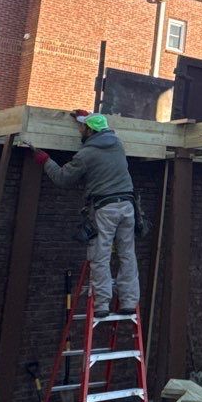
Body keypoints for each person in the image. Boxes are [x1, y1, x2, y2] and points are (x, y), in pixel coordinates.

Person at [31, 112, 138, 318]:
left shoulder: (86, 154)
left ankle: (102, 304)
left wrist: (45, 161)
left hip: (105, 208)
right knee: (127, 254)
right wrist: (86, 117)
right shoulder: (117, 145)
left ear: (90, 130)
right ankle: (129, 301)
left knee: (101, 255)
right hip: (127, 206)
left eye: (82, 128)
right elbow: (105, 130)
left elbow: (63, 178)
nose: (80, 131)